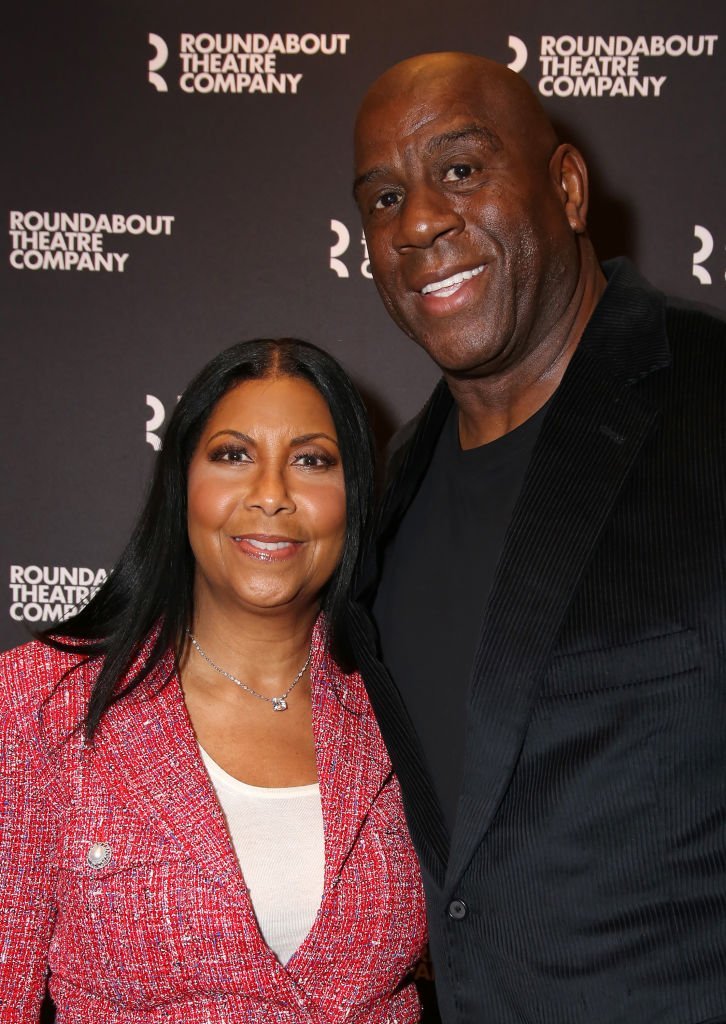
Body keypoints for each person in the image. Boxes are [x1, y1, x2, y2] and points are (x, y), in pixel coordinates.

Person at [348, 51, 726, 1023]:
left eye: (461, 171)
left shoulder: (712, 403)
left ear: (565, 186)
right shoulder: (387, 495)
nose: (421, 221)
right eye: (384, 197)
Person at [0, 339, 427, 1023]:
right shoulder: (39, 703)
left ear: (355, 497)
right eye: (234, 455)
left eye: (312, 461)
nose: (271, 496)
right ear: (182, 483)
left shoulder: (402, 706)